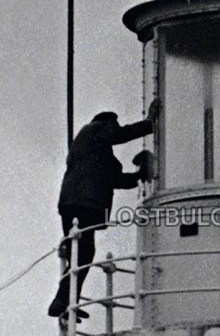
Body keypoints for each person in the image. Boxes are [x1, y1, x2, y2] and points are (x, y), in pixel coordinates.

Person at [48, 98, 159, 319]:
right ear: (107, 123)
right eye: (114, 126)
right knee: (82, 254)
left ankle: (65, 302)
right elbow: (120, 135)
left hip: (72, 203)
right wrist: (150, 123)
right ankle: (63, 301)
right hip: (83, 204)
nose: (115, 130)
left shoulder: (92, 150)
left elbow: (113, 178)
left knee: (80, 255)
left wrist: (138, 176)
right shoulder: (95, 130)